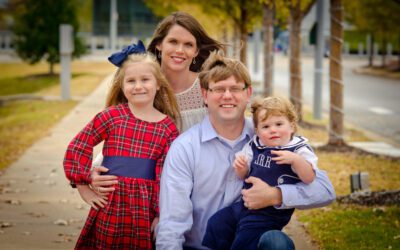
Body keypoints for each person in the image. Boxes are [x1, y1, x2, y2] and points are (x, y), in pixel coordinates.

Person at [155, 51, 336, 250]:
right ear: (205, 94)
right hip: (201, 246)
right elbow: (172, 222)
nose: (227, 96)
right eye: (219, 89)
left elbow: (325, 190)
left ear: (248, 94)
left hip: (254, 242)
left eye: (235, 88)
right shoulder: (185, 147)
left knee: (277, 243)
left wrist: (275, 195)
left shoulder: (269, 136)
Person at [90, 11, 224, 195]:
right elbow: (121, 132)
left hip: (198, 185)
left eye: (188, 44)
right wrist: (94, 171)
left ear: (196, 51)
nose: (180, 50)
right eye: (173, 42)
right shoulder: (141, 85)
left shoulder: (207, 87)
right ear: (160, 44)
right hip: (146, 188)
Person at [63, 41, 180, 249]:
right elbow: (79, 145)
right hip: (110, 204)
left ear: (158, 83)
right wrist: (83, 185)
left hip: (143, 211)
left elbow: (166, 178)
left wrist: (160, 214)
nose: (138, 86)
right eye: (131, 81)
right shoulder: (112, 117)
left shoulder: (167, 128)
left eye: (145, 79)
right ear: (122, 86)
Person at [202, 96, 318, 250]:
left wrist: (296, 160)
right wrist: (241, 167)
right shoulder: (255, 146)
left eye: (279, 124)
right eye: (266, 126)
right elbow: (242, 175)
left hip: (270, 214)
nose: (273, 130)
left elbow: (309, 177)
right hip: (245, 206)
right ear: (257, 131)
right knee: (217, 222)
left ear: (291, 125)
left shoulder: (298, 149)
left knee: (246, 237)